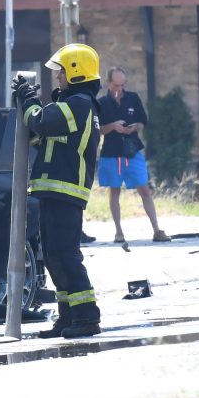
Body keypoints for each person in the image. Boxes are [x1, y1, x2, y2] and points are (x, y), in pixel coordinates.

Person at [27, 42, 105, 338]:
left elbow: (40, 121)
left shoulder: (79, 104)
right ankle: (68, 317)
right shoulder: (71, 104)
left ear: (75, 72)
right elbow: (42, 139)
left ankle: (87, 317)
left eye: (61, 72)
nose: (57, 77)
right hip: (53, 191)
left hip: (66, 191)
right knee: (55, 256)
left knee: (67, 256)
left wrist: (28, 101)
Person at [94, 67, 161, 246]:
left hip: (132, 151)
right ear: (109, 83)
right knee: (114, 191)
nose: (120, 89)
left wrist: (134, 127)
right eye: (116, 85)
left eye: (122, 85)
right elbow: (98, 130)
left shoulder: (132, 97)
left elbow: (142, 121)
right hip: (111, 152)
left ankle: (156, 229)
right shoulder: (101, 103)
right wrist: (113, 126)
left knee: (144, 190)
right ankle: (118, 231)